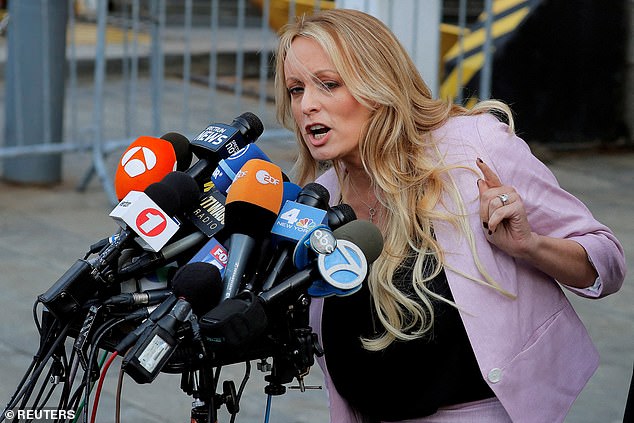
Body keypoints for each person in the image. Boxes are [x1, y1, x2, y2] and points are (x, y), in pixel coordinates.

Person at [272, 8, 626, 423]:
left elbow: (606, 262)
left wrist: (530, 245)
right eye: (296, 90)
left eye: (328, 85)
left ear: (378, 83)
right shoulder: (318, 201)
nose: (307, 105)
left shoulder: (472, 148)